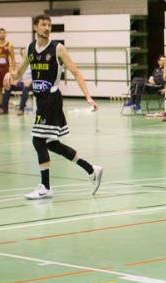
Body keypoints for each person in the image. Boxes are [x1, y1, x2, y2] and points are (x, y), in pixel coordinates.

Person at [6, 14, 102, 200]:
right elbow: (18, 74)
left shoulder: (57, 48)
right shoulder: (29, 48)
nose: (47, 28)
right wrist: (10, 76)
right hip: (40, 100)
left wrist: (88, 96)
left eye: (49, 25)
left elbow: (75, 71)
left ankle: (46, 187)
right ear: (36, 27)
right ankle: (91, 170)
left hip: (52, 99)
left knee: (37, 141)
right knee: (52, 144)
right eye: (43, 24)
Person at [0, 28, 14, 113]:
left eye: (4, 33)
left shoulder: (9, 45)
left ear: (6, 34)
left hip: (6, 70)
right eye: (1, 33)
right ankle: (0, 105)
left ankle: (5, 106)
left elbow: (13, 59)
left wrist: (12, 71)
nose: (2, 35)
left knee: (6, 88)